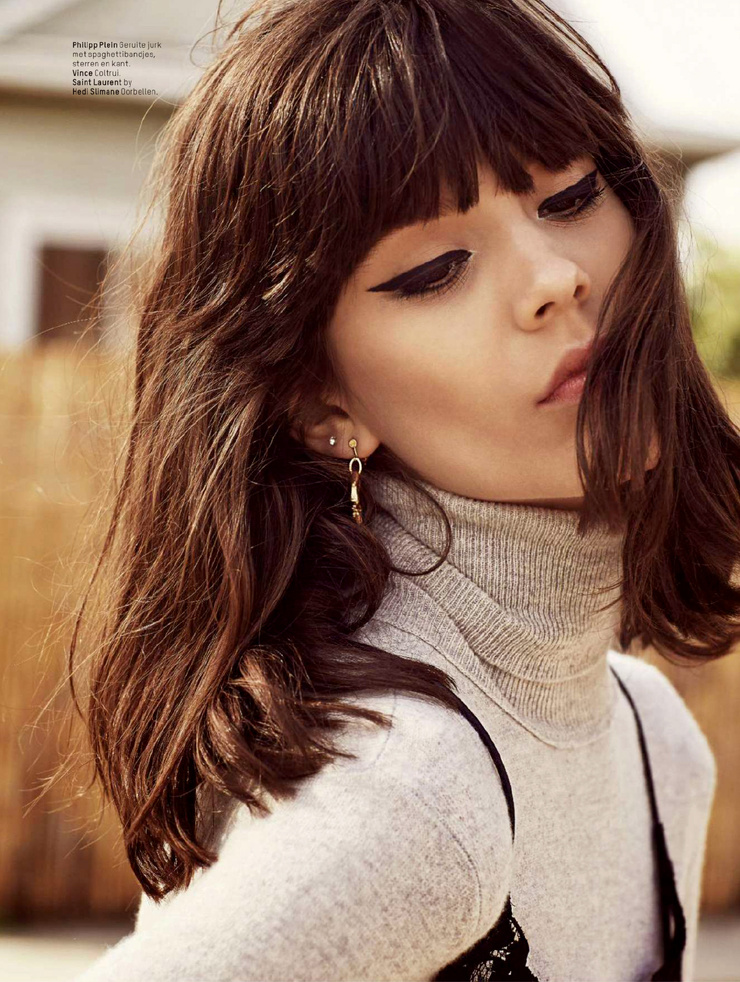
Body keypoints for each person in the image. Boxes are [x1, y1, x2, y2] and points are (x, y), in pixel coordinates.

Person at [70, 0, 739, 979]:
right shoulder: (405, 792)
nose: (554, 277)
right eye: (433, 270)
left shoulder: (654, 739)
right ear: (320, 403)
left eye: (568, 197)